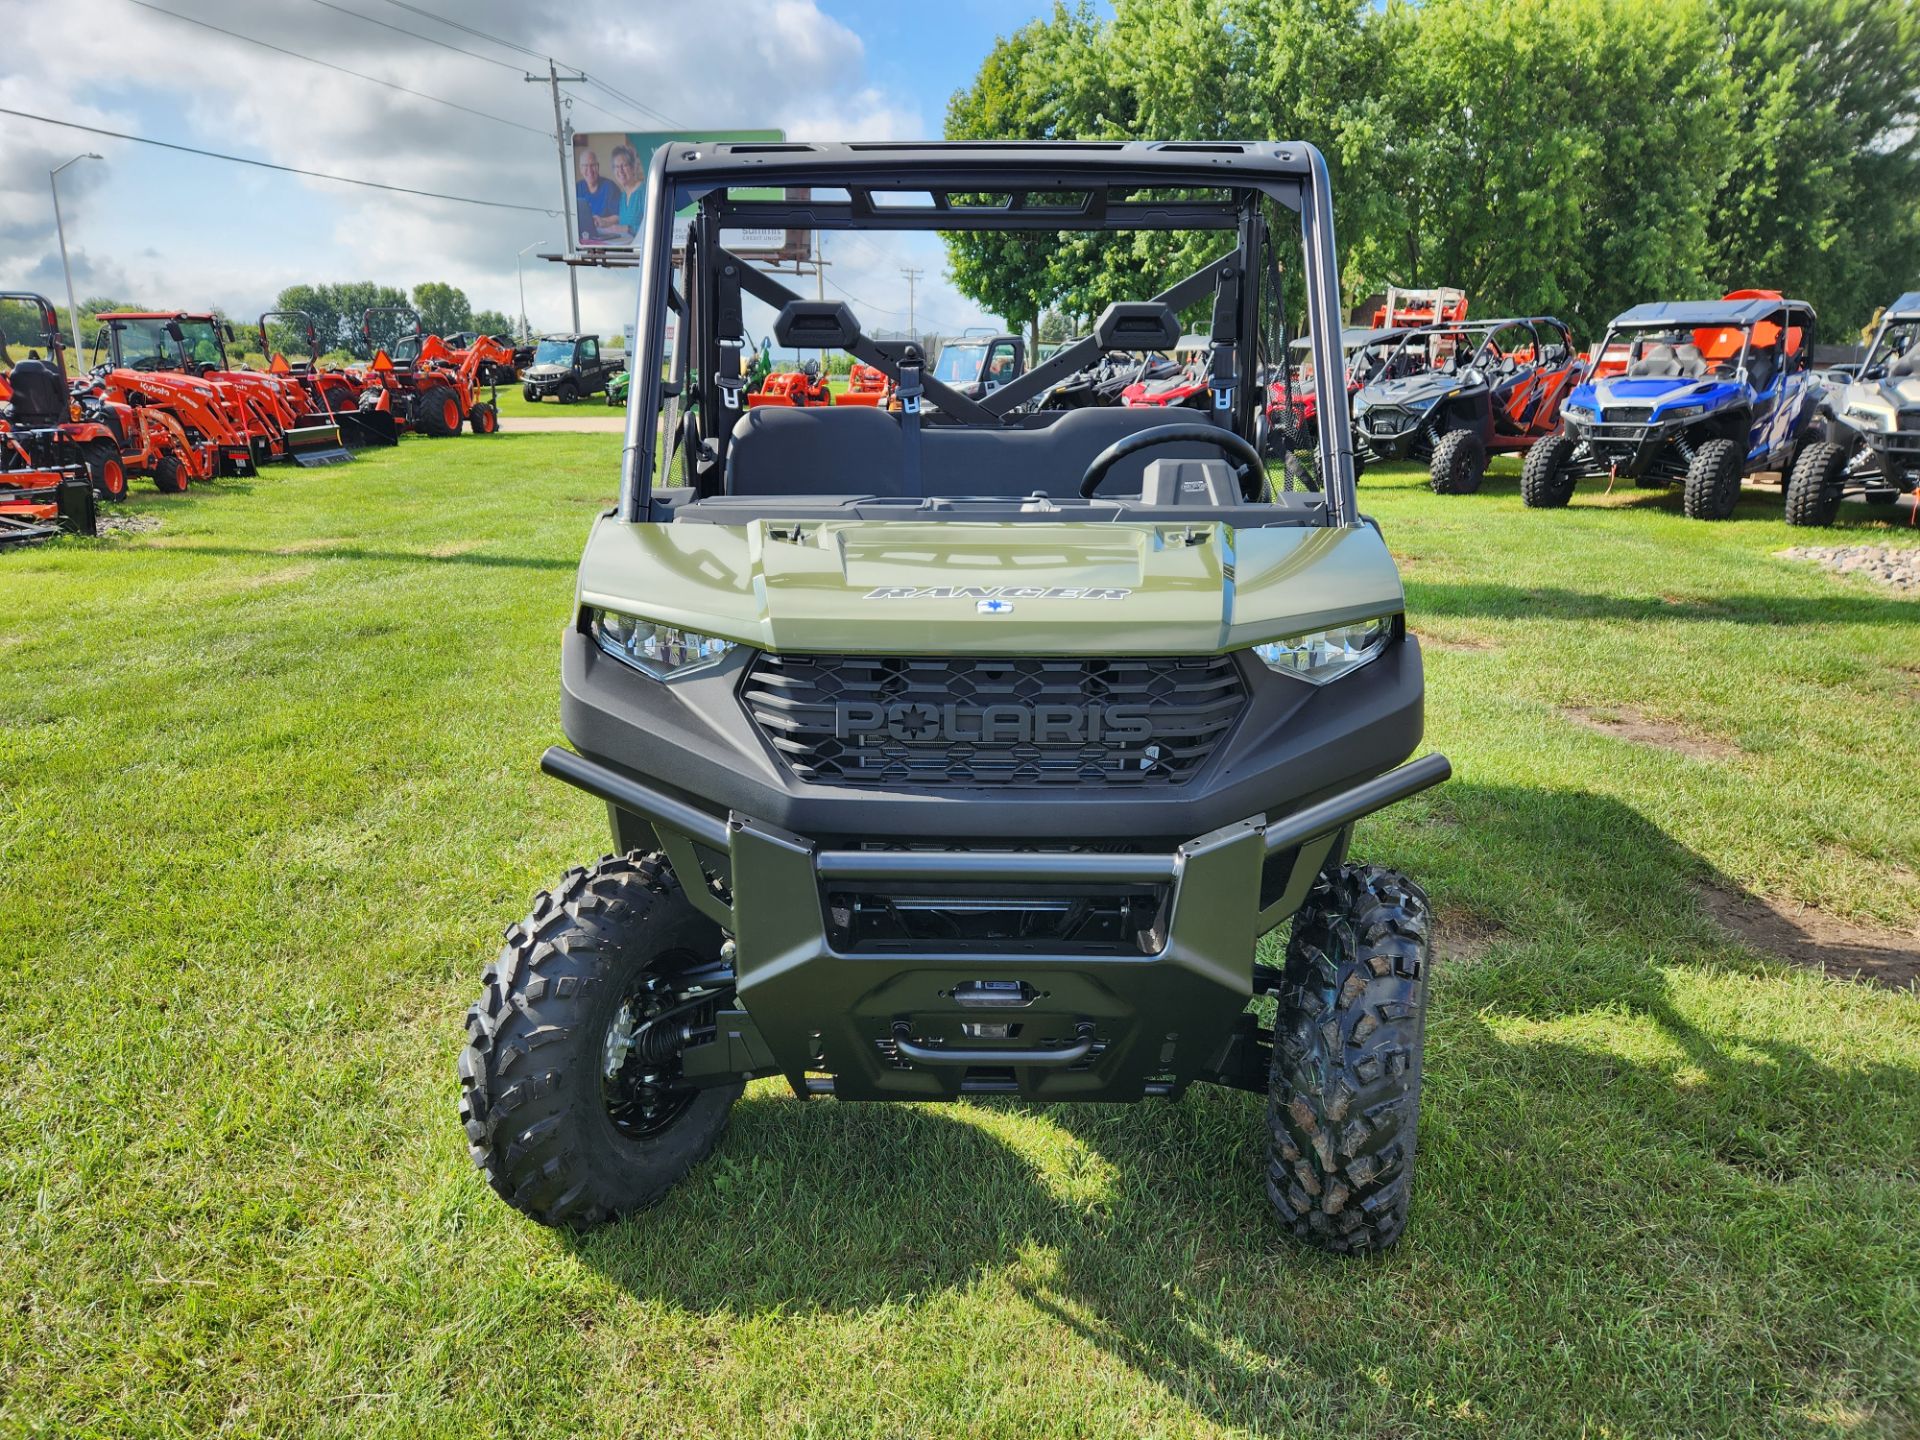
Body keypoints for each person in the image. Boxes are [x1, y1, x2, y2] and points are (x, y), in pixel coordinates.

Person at [575, 148, 619, 245]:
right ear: (580, 169)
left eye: (593, 165)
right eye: (585, 166)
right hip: (583, 238)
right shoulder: (576, 188)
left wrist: (604, 221)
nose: (589, 170)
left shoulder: (610, 187)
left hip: (607, 238)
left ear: (598, 166)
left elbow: (618, 216)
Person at [612, 145, 646, 241]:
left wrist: (628, 229)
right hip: (626, 248)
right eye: (617, 167)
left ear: (632, 167)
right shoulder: (623, 196)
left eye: (624, 165)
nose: (620, 170)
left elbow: (653, 225)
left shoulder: (644, 191)